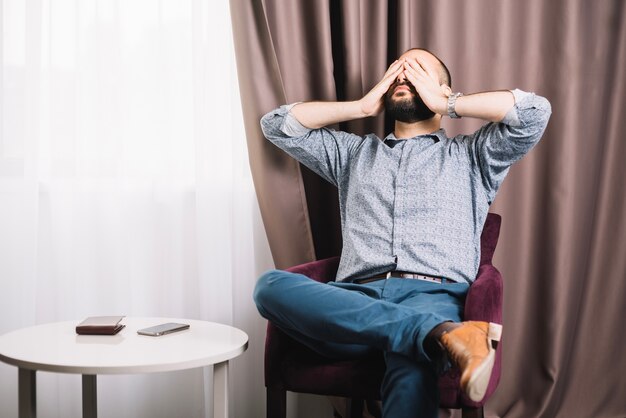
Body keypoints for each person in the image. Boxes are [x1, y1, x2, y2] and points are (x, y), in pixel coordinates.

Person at [253, 48, 551, 418]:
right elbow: (277, 124)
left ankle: (426, 333)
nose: (404, 77)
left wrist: (451, 102)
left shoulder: (474, 155)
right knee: (269, 288)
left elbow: (535, 113)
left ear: (440, 90)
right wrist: (361, 107)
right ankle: (441, 335)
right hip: (354, 300)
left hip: (435, 294)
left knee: (412, 365)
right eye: (397, 71)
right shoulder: (352, 155)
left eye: (418, 72)